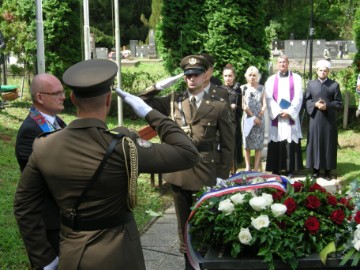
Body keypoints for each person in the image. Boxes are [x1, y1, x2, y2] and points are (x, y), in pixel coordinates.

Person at [14, 59, 200, 270]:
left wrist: (45, 260)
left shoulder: (44, 145)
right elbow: (187, 153)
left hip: (71, 253)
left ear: (73, 99)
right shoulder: (123, 146)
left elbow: (23, 205)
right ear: (109, 100)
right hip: (120, 254)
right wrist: (149, 112)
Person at [139, 55, 234, 269]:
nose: (191, 78)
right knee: (184, 225)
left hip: (207, 171)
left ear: (205, 76)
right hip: (179, 170)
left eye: (196, 74)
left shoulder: (219, 104)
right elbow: (142, 101)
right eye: (187, 74)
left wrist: (223, 175)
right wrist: (160, 85)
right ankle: (188, 264)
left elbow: (228, 144)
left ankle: (206, 263)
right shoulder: (173, 100)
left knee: (206, 222)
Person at [15, 73, 66, 259]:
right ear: (40, 97)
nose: (63, 96)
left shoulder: (56, 121)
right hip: (49, 223)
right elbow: (47, 180)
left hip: (62, 218)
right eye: (57, 93)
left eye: (63, 91)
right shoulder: (30, 131)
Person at [264, 55, 303, 176]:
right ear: (277, 64)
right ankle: (275, 168)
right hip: (277, 117)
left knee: (290, 141)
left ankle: (290, 169)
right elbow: (269, 98)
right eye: (280, 62)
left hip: (290, 117)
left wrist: (289, 112)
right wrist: (278, 111)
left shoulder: (296, 78)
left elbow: (299, 97)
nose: (282, 64)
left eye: (284, 62)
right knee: (276, 140)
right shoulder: (270, 80)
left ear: (288, 63)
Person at [305, 59, 343, 179]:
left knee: (328, 144)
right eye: (320, 70)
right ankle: (315, 170)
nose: (322, 72)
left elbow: (339, 103)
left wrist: (327, 106)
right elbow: (306, 100)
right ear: (317, 71)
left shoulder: (334, 85)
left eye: (325, 71)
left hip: (328, 120)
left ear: (328, 72)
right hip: (315, 118)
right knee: (314, 143)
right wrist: (315, 105)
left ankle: (327, 171)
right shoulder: (311, 84)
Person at [241, 66, 266, 172]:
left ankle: (256, 168)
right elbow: (244, 105)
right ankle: (248, 167)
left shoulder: (262, 88)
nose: (252, 77)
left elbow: (264, 104)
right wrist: (253, 117)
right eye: (250, 75)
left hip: (259, 119)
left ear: (258, 76)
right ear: (247, 76)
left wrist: (259, 116)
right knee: (247, 144)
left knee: (258, 145)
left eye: (254, 75)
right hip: (248, 118)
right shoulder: (243, 88)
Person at [222, 63, 243, 172]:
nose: (228, 78)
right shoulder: (219, 90)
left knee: (235, 145)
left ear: (233, 76)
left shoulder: (238, 90)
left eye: (230, 76)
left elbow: (242, 107)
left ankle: (234, 169)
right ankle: (226, 169)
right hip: (223, 123)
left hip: (235, 121)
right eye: (225, 76)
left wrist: (236, 107)